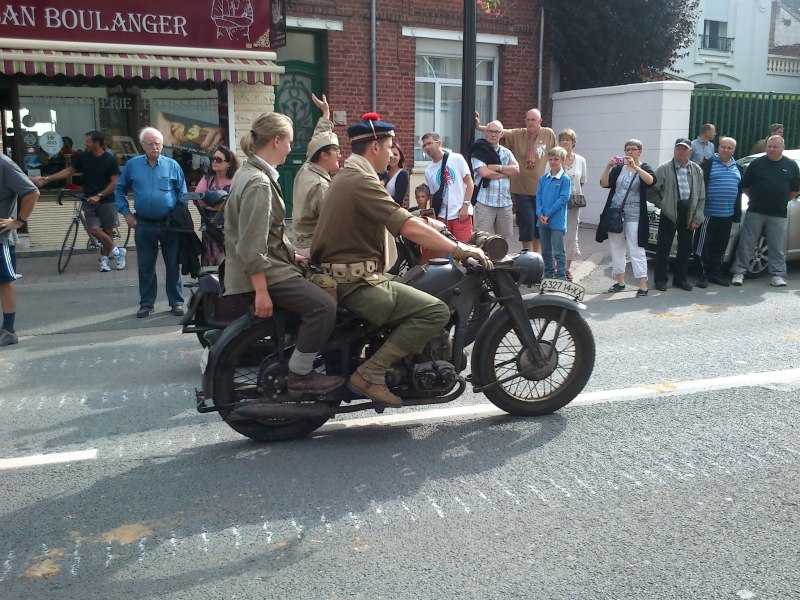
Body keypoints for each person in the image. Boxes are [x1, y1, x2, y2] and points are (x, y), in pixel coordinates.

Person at [312, 112, 491, 408]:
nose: (392, 152)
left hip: (352, 276)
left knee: (420, 289)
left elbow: (402, 216)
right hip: (356, 283)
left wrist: (436, 226)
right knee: (435, 311)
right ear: (374, 148)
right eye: (390, 146)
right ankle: (371, 373)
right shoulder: (360, 181)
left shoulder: (351, 175)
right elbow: (405, 226)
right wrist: (459, 250)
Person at [223, 111, 344, 397]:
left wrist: (293, 255)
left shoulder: (250, 173)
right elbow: (252, 243)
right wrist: (261, 291)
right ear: (276, 141)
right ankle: (301, 374)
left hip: (271, 265)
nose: (291, 147)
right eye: (289, 141)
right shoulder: (259, 183)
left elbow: (270, 233)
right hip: (264, 272)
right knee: (323, 305)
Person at [115, 127, 188, 318]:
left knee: (172, 264)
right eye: (151, 143)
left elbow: (182, 194)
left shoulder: (173, 165)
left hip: (169, 224)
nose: (155, 146)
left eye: (158, 143)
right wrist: (126, 214)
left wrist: (179, 216)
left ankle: (177, 302)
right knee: (145, 265)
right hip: (143, 224)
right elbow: (119, 190)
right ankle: (147, 303)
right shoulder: (133, 165)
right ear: (142, 145)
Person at [32, 131, 125, 272]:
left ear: (97, 143)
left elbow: (114, 183)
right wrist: (48, 178)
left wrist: (99, 195)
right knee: (94, 229)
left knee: (107, 231)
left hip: (106, 200)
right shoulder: (83, 157)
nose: (86, 144)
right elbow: (68, 171)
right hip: (88, 200)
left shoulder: (109, 159)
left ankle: (105, 261)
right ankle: (118, 252)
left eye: (88, 141)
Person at [475, 109, 556, 252]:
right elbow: (498, 132)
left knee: (539, 223)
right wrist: (478, 127)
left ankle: (536, 255)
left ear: (540, 121)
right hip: (521, 189)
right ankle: (526, 253)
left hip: (542, 189)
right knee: (526, 223)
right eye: (528, 119)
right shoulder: (519, 134)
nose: (530, 122)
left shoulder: (548, 134)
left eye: (533, 120)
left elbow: (556, 155)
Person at [730, 135, 800, 287]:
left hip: (778, 213)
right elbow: (745, 186)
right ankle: (739, 272)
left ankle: (778, 275)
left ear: (782, 148)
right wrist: (756, 198)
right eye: (769, 146)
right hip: (755, 210)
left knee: (776, 246)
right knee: (747, 243)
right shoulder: (756, 164)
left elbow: (795, 191)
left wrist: (781, 200)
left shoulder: (791, 165)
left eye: (775, 147)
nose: (772, 149)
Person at [597, 139, 656, 298]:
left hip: (635, 214)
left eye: (633, 149)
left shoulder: (644, 168)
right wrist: (608, 167)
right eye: (627, 149)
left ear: (640, 152)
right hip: (616, 213)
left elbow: (651, 181)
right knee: (617, 248)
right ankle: (620, 281)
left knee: (636, 248)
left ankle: (643, 285)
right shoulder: (618, 169)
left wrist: (635, 167)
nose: (629, 152)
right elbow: (604, 184)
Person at [649, 138, 706, 292]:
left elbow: (701, 197)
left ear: (690, 151)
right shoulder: (664, 168)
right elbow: (651, 191)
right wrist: (663, 204)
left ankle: (680, 279)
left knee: (685, 249)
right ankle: (661, 280)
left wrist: (697, 217)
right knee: (663, 249)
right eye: (678, 148)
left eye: (684, 149)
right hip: (669, 214)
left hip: (688, 214)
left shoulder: (696, 169)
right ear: (674, 149)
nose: (680, 151)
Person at [291, 93, 340, 258]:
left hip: (300, 242)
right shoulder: (320, 185)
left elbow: (319, 138)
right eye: (336, 151)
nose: (339, 155)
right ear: (324, 155)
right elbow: (334, 222)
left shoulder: (308, 166)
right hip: (312, 246)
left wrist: (326, 113)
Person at [0, 155, 39, 346]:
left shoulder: (4, 164)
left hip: (1, 239)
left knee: (4, 282)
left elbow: (32, 192)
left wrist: (19, 222)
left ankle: (9, 330)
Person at [696, 137, 744, 287]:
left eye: (729, 148)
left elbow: (739, 192)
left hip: (727, 215)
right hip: (708, 214)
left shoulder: (739, 168)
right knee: (702, 246)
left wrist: (736, 214)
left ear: (734, 150)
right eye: (723, 147)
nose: (726, 150)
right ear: (718, 147)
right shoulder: (707, 164)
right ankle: (702, 275)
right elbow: (698, 188)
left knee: (720, 246)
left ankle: (714, 274)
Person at [470, 120, 520, 241]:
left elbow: (516, 170)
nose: (493, 134)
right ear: (485, 132)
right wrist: (505, 173)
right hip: (485, 203)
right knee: (482, 240)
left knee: (502, 241)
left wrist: (498, 167)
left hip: (505, 203)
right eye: (490, 131)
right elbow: (485, 173)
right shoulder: (478, 151)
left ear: (501, 134)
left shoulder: (506, 153)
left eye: (496, 132)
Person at [422, 131, 474, 242]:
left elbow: (469, 183)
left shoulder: (456, 158)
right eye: (424, 145)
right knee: (442, 252)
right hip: (441, 216)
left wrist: (465, 206)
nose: (427, 147)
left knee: (464, 250)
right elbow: (433, 195)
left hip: (460, 214)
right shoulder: (428, 170)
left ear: (439, 143)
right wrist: (433, 218)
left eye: (429, 143)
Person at [194, 144, 239, 266]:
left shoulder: (236, 179)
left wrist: (220, 205)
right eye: (213, 159)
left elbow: (239, 201)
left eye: (219, 160)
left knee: (230, 261)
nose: (214, 162)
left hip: (231, 228)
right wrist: (213, 207)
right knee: (211, 260)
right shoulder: (208, 179)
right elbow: (198, 198)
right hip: (211, 227)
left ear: (229, 163)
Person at [536, 147, 571, 279]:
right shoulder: (543, 179)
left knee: (558, 250)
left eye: (556, 159)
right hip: (542, 220)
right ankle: (548, 274)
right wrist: (540, 214)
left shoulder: (565, 179)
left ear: (562, 160)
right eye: (550, 159)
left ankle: (561, 276)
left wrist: (548, 214)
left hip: (556, 220)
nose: (553, 162)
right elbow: (538, 197)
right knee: (545, 250)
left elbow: (562, 199)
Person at [558, 129, 587, 280]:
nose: (564, 142)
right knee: (556, 234)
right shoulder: (554, 158)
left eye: (567, 140)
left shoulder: (580, 160)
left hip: (573, 204)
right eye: (562, 140)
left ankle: (566, 268)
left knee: (570, 235)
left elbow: (582, 181)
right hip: (556, 203)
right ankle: (556, 266)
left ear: (573, 142)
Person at [383, 141, 410, 207]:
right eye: (390, 154)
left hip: (393, 212)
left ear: (400, 157)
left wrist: (379, 198)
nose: (392, 157)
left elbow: (398, 200)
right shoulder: (383, 172)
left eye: (395, 154)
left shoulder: (403, 174)